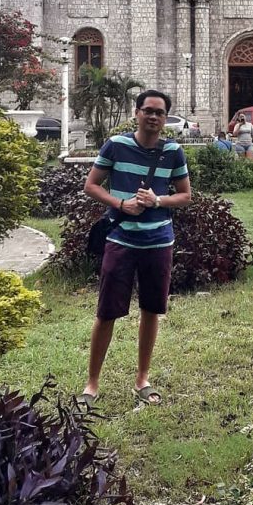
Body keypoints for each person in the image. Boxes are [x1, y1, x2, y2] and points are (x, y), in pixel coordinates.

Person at [81, 89, 191, 408]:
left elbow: (185, 195)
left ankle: (142, 379)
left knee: (151, 310)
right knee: (106, 312)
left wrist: (158, 200)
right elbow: (91, 185)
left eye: (160, 112)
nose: (154, 117)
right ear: (137, 113)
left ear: (165, 118)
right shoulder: (116, 146)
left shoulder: (173, 152)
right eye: (148, 111)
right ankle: (91, 384)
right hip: (121, 239)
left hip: (158, 240)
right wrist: (120, 203)